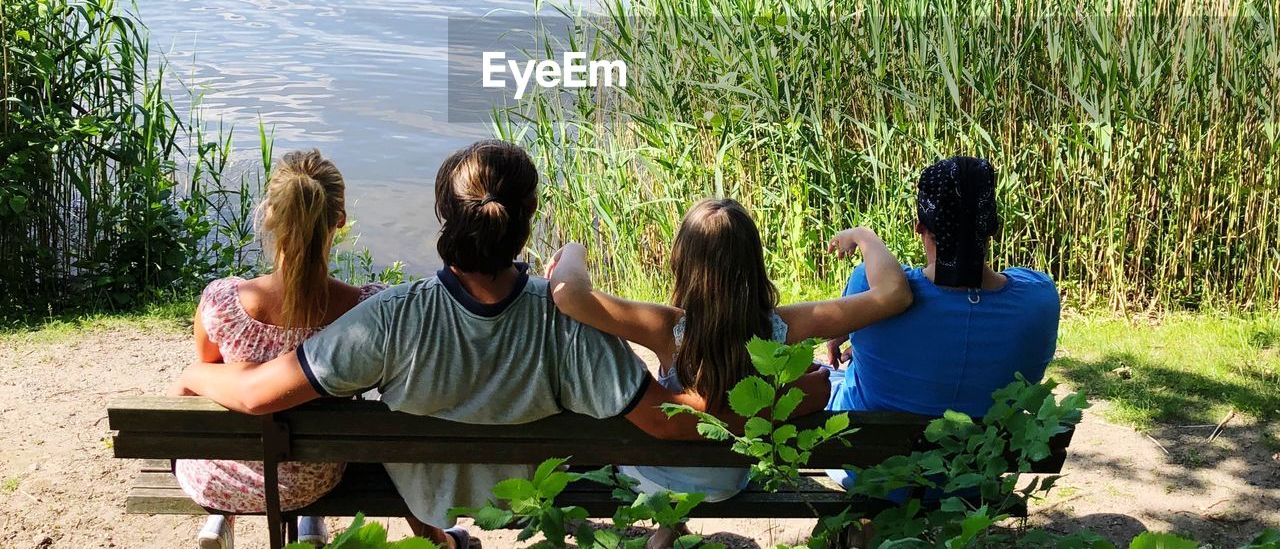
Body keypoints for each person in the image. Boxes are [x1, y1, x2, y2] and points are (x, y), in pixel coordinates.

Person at [171, 141, 832, 549]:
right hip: (530, 497)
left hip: (428, 496)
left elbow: (258, 393)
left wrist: (198, 378)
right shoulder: (567, 323)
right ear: (526, 222)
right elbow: (665, 418)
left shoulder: (390, 319)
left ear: (443, 218)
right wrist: (789, 402)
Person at [546, 197, 913, 503]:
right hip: (727, 482)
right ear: (754, 262)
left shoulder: (666, 328)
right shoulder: (783, 327)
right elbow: (894, 294)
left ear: (681, 262)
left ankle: (668, 528)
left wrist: (574, 249)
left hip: (658, 476)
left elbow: (570, 296)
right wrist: (865, 237)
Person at [175, 149, 386, 549]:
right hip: (315, 477)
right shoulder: (366, 312)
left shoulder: (222, 302)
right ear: (339, 221)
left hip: (219, 476)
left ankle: (223, 517)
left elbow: (210, 379)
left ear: (271, 216)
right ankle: (310, 518)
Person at [827, 156, 1060, 427]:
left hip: (869, 465)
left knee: (829, 376)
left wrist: (863, 236)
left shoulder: (867, 284)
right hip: (978, 465)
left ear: (920, 227)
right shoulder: (1040, 298)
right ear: (994, 229)